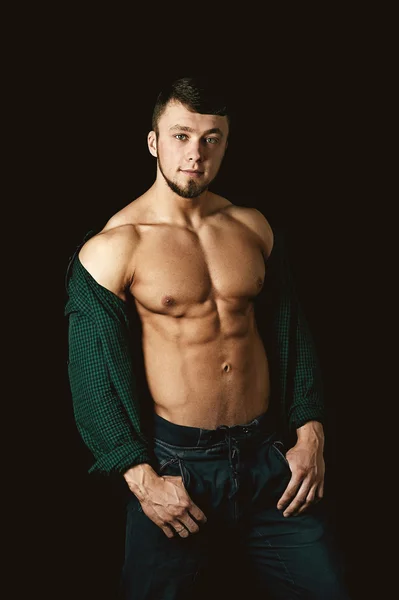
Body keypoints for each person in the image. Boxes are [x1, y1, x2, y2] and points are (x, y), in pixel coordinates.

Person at [65, 76, 351, 599]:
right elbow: (91, 376)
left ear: (225, 143)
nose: (195, 154)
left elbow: (292, 336)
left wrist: (310, 433)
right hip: (179, 468)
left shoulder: (251, 227)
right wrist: (142, 480)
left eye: (210, 138)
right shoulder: (115, 245)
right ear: (153, 142)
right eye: (180, 136)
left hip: (271, 462)